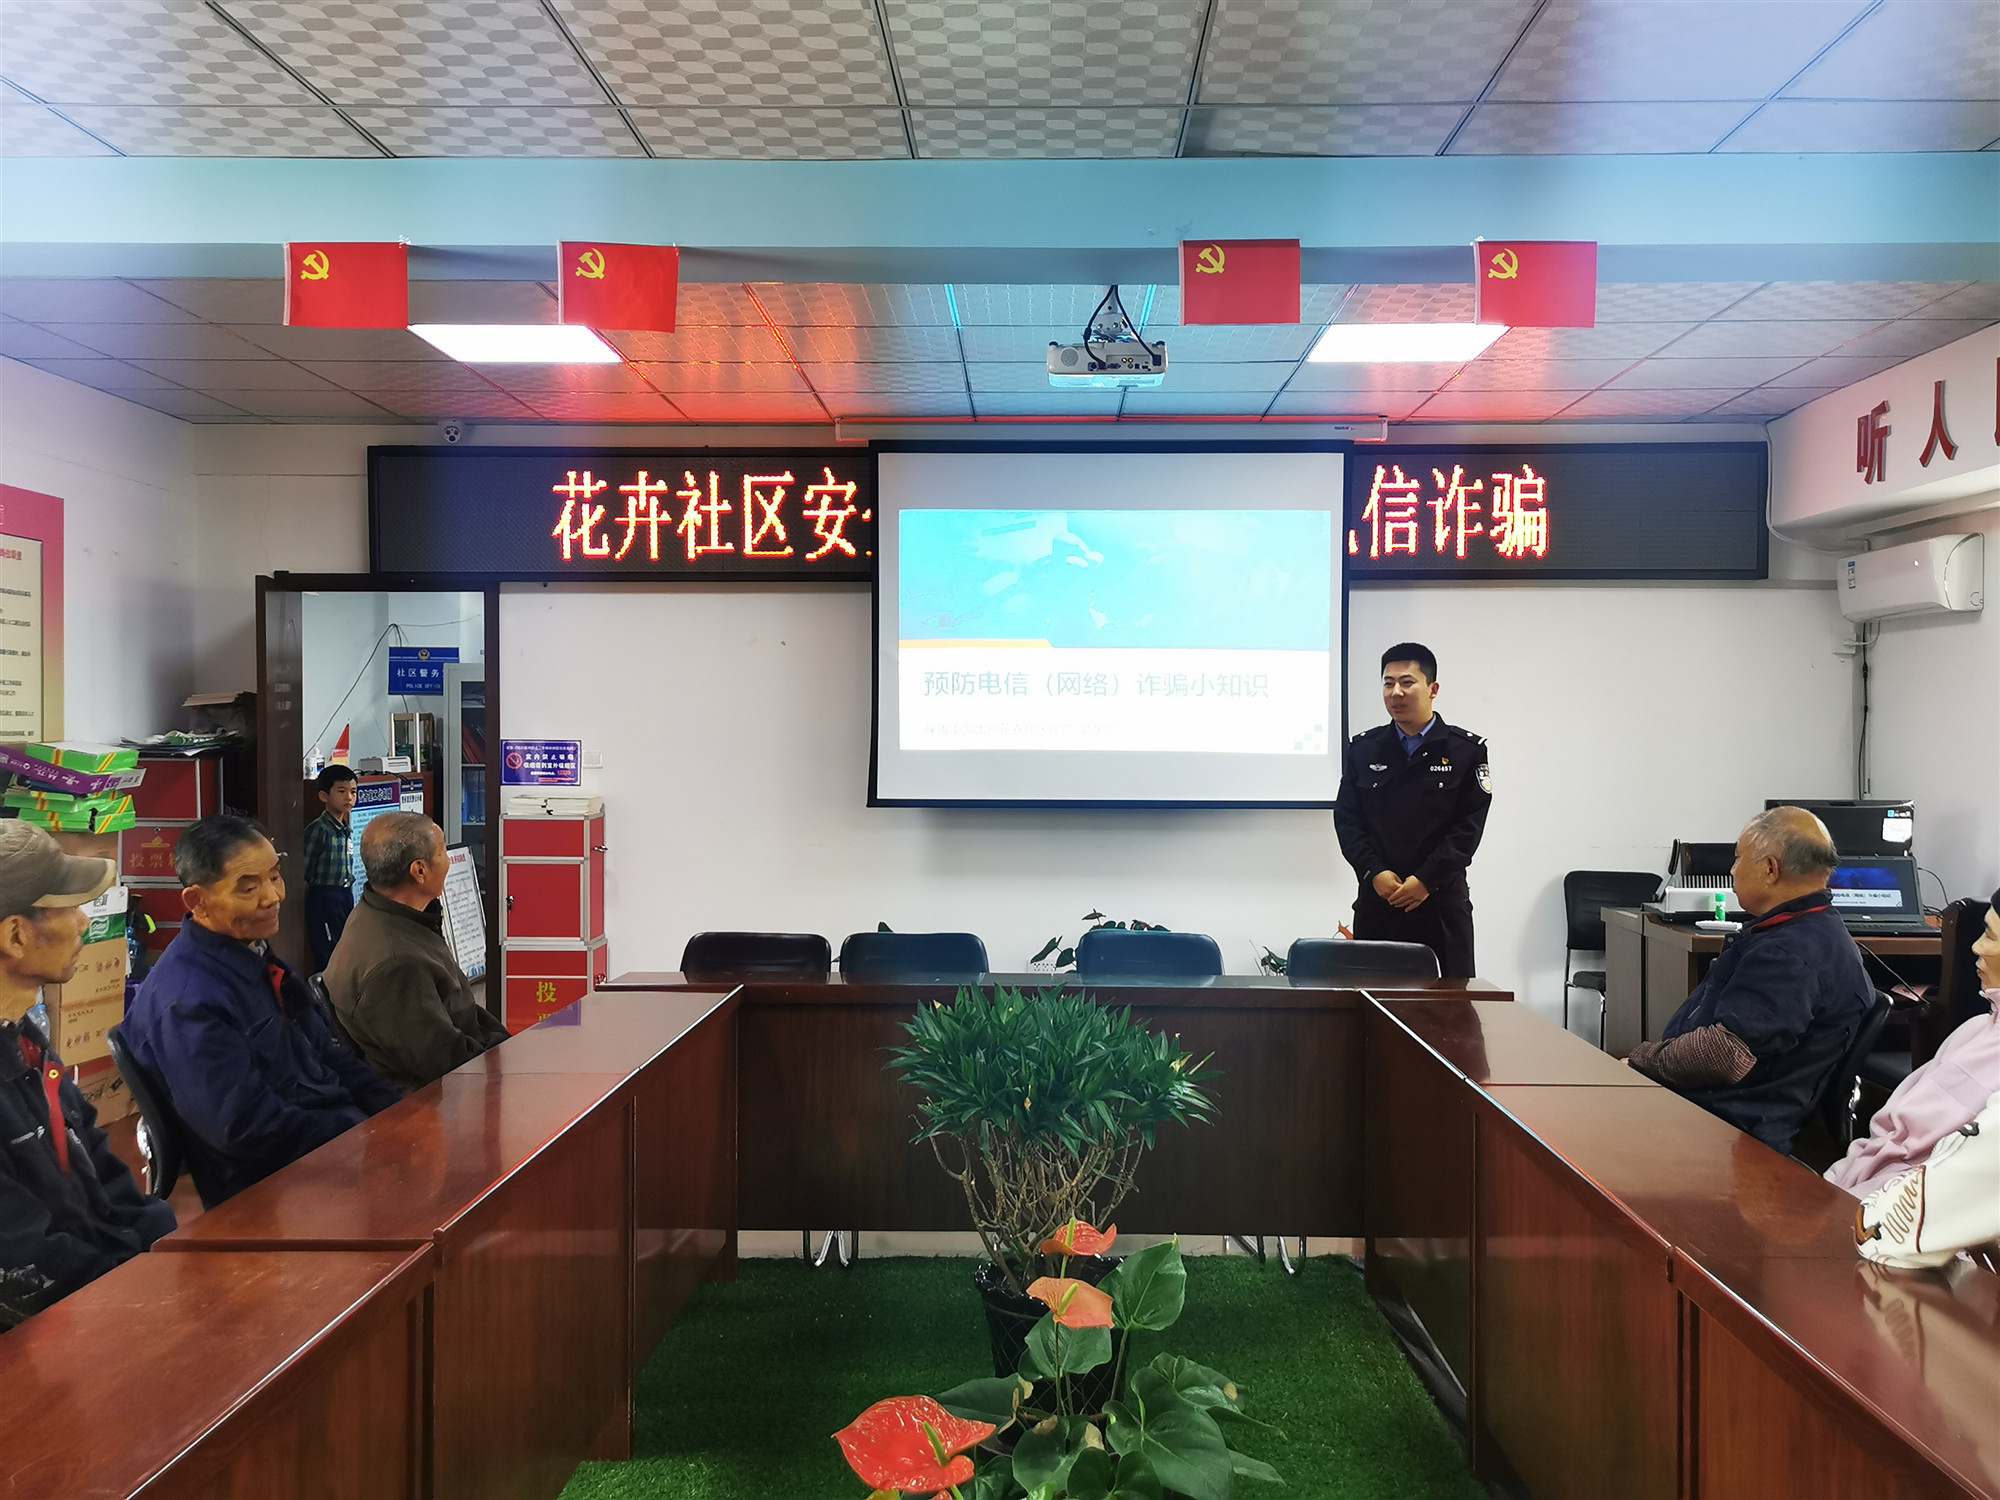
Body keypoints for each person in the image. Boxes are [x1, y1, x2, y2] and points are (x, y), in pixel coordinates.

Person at [120, 814, 401, 1207]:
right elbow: (244, 1128)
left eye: (275, 876)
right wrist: (358, 1135)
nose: (273, 896)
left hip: (335, 1145)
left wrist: (397, 1118)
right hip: (275, 1187)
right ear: (197, 901)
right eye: (249, 887)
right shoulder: (187, 1001)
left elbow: (331, 1055)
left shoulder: (256, 955)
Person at [0, 823, 176, 1326]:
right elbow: (27, 1266)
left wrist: (169, 1254)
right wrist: (144, 1300)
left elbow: (104, 1177)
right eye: (69, 908)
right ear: (15, 935)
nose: (83, 922)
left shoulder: (27, 1045)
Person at [1627, 807, 1872, 1153]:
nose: (1733, 870)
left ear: (1770, 869)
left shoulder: (1788, 954)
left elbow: (1724, 1054)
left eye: (1739, 858)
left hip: (1730, 1128)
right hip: (1724, 1108)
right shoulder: (1808, 932)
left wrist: (1640, 1061)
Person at [1827, 889, 2000, 1199]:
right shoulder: (1974, 1030)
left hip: (1898, 1210)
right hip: (1859, 1187)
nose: (1976, 947)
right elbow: (1890, 1135)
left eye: (1989, 935)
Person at [1332, 642, 1491, 978]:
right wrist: (1374, 872)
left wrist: (1426, 880)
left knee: (1450, 1007)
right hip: (1380, 903)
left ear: (1433, 689)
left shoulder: (1465, 751)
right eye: (1388, 683)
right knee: (1374, 1004)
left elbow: (1467, 828)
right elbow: (1348, 821)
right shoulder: (1363, 749)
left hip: (1440, 907)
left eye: (1407, 682)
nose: (1396, 692)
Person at [324, 812, 508, 1093]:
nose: (448, 860)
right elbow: (446, 1062)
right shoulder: (396, 963)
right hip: (435, 1101)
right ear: (419, 870)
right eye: (442, 851)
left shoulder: (382, 912)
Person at [303, 764, 358, 973]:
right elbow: (305, 868)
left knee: (346, 947)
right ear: (324, 796)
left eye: (353, 792)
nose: (349, 798)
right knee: (328, 950)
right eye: (341, 791)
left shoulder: (345, 830)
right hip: (324, 897)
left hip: (345, 894)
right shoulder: (318, 830)